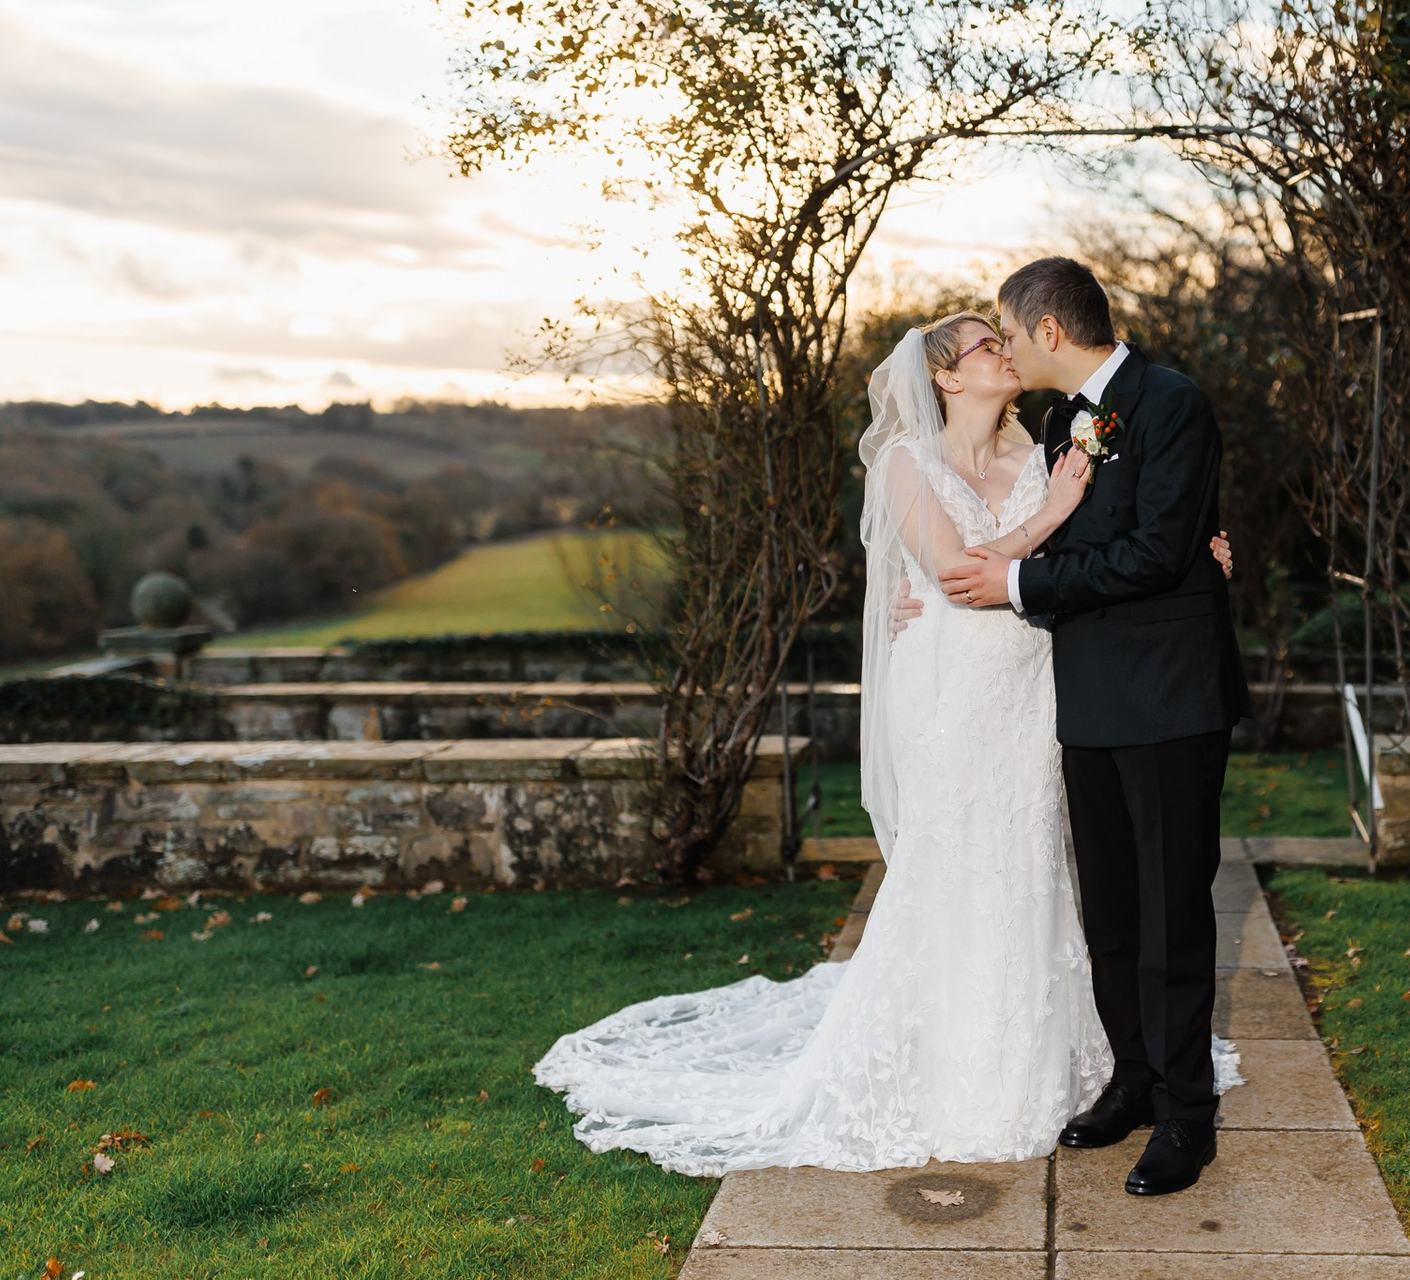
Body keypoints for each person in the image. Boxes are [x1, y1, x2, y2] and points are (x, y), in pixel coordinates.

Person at [534, 310, 1242, 1177]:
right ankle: (963, 1068)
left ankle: (1087, 1063)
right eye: (988, 345)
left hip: (1039, 686)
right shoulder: (909, 462)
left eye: (1006, 338)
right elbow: (958, 573)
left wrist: (1203, 546)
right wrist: (1050, 513)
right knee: (962, 862)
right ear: (944, 376)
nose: (1006, 352)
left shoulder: (1047, 440)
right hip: (955, 691)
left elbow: (1132, 526)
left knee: (1038, 867)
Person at [925, 257, 1253, 1196]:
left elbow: (1153, 551)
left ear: (1050, 331)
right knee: (1109, 910)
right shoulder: (1062, 422)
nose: (1009, 349)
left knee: (1171, 914)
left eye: (1010, 333)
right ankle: (1134, 1080)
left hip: (1171, 697)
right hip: (1088, 697)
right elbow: (1066, 530)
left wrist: (1019, 582)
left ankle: (1188, 1114)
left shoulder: (1172, 403)